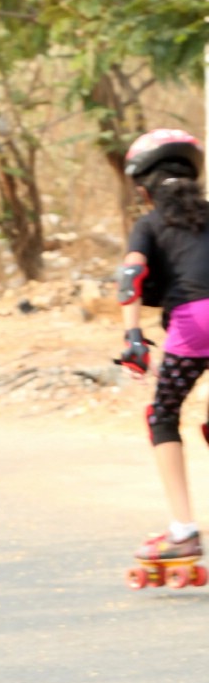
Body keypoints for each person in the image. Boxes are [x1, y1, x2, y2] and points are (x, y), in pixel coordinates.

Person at [117, 128, 209, 562]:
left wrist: (134, 338)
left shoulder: (148, 223)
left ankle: (184, 532)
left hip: (194, 324)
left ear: (144, 189)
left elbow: (130, 277)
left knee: (163, 414)